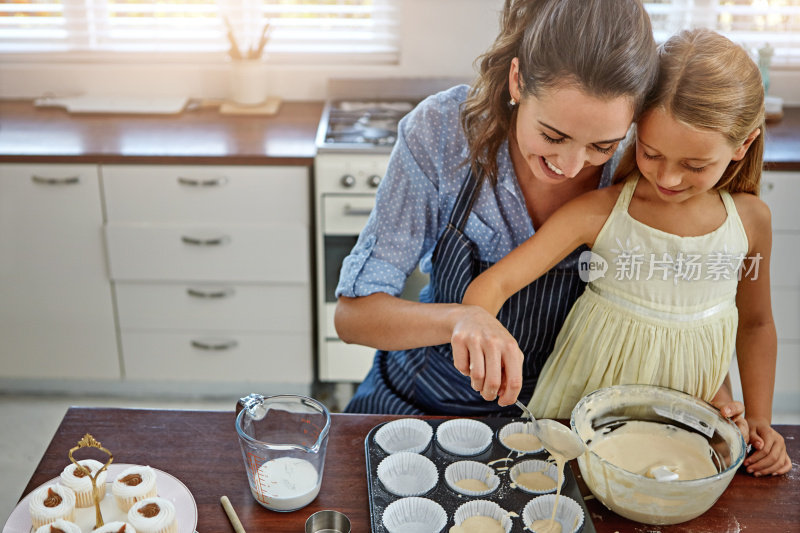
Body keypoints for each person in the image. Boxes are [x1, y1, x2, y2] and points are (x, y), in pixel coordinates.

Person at [463, 28, 791, 476]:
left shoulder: (751, 222)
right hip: (575, 419)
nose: (669, 179)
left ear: (743, 146)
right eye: (651, 153)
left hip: (684, 429)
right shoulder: (600, 213)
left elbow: (755, 324)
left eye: (695, 166)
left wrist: (757, 418)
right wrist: (482, 328)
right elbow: (494, 284)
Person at [334, 0, 661, 416]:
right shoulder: (441, 131)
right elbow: (353, 318)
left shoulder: (643, 161)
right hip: (417, 403)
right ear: (517, 80)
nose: (571, 165)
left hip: (558, 424)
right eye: (553, 135)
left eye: (602, 145)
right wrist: (460, 320)